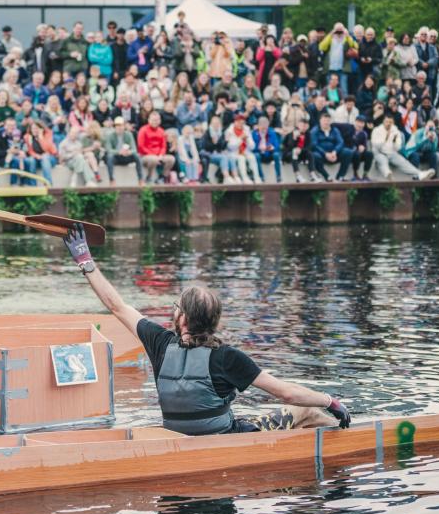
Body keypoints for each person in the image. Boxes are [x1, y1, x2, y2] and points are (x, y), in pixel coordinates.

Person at [62, 224, 351, 435]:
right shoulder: (227, 358)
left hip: (177, 437)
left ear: (183, 319)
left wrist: (86, 262)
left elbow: (117, 306)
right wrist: (331, 400)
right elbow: (287, 394)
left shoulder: (160, 343)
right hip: (224, 441)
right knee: (307, 410)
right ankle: (349, 436)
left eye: (177, 306)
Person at [309, 111, 353, 181]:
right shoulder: (314, 131)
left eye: (328, 121)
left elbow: (340, 142)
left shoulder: (335, 130)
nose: (326, 122)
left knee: (348, 152)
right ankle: (326, 176)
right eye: (324, 120)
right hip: (321, 155)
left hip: (334, 154)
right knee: (314, 155)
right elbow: (314, 145)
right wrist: (325, 154)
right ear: (320, 121)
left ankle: (340, 176)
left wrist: (335, 152)